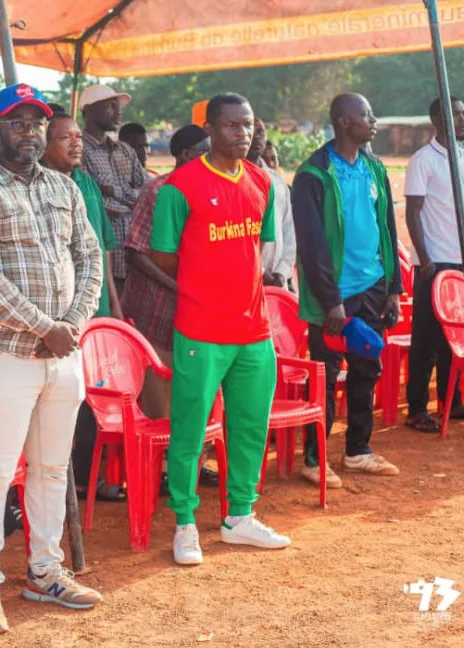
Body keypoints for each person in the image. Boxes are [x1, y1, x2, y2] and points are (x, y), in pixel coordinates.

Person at [0, 83, 103, 634]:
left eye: (36, 123)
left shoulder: (64, 188)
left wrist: (73, 324)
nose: (29, 132)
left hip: (63, 353)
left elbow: (90, 258)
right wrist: (45, 328)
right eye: (17, 123)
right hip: (3, 354)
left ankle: (45, 571)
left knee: (53, 468)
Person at [150, 93, 291, 567]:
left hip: (253, 329)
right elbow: (163, 257)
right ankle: (185, 522)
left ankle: (240, 516)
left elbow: (257, 248)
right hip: (200, 329)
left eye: (247, 124)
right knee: (190, 430)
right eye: (231, 125)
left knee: (250, 426)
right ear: (210, 129)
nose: (242, 133)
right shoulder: (179, 186)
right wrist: (202, 286)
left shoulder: (262, 181)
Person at [292, 93, 402, 487]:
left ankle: (357, 450)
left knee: (367, 367)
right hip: (333, 297)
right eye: (365, 115)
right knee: (325, 375)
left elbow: (387, 228)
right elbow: (311, 245)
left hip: (372, 287)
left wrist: (393, 288)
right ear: (342, 121)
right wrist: (330, 300)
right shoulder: (313, 174)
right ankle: (314, 459)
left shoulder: (375, 167)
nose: (373, 121)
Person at [123, 125, 217, 489]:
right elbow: (135, 251)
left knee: (197, 389)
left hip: (200, 313)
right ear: (185, 155)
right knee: (159, 394)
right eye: (205, 150)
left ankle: (194, 463)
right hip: (157, 310)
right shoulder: (157, 191)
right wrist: (177, 286)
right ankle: (161, 469)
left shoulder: (212, 188)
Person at [41, 108, 125, 502]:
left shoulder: (87, 183)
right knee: (60, 399)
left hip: (96, 308)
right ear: (44, 144)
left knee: (94, 393)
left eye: (78, 136)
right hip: (58, 314)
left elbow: (102, 249)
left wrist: (114, 306)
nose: (76, 144)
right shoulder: (37, 187)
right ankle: (55, 481)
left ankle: (86, 479)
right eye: (65, 137)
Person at [404, 96, 464, 433]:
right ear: (437, 118)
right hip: (435, 263)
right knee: (427, 337)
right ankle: (417, 408)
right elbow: (413, 213)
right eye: (456, 114)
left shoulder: (463, 157)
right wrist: (425, 259)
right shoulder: (423, 160)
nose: (463, 120)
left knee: (458, 334)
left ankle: (454, 400)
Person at [79, 84, 147, 297]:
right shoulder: (78, 151)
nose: (118, 112)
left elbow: (146, 196)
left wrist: (112, 192)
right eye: (111, 106)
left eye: (118, 106)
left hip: (137, 258)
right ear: (88, 110)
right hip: (105, 262)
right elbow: (93, 205)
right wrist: (129, 204)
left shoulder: (125, 151)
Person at [248, 118, 296, 289]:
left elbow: (289, 232)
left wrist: (282, 272)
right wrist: (261, 272)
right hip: (247, 280)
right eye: (252, 131)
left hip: (278, 283)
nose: (256, 137)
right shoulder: (233, 182)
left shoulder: (277, 181)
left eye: (261, 132)